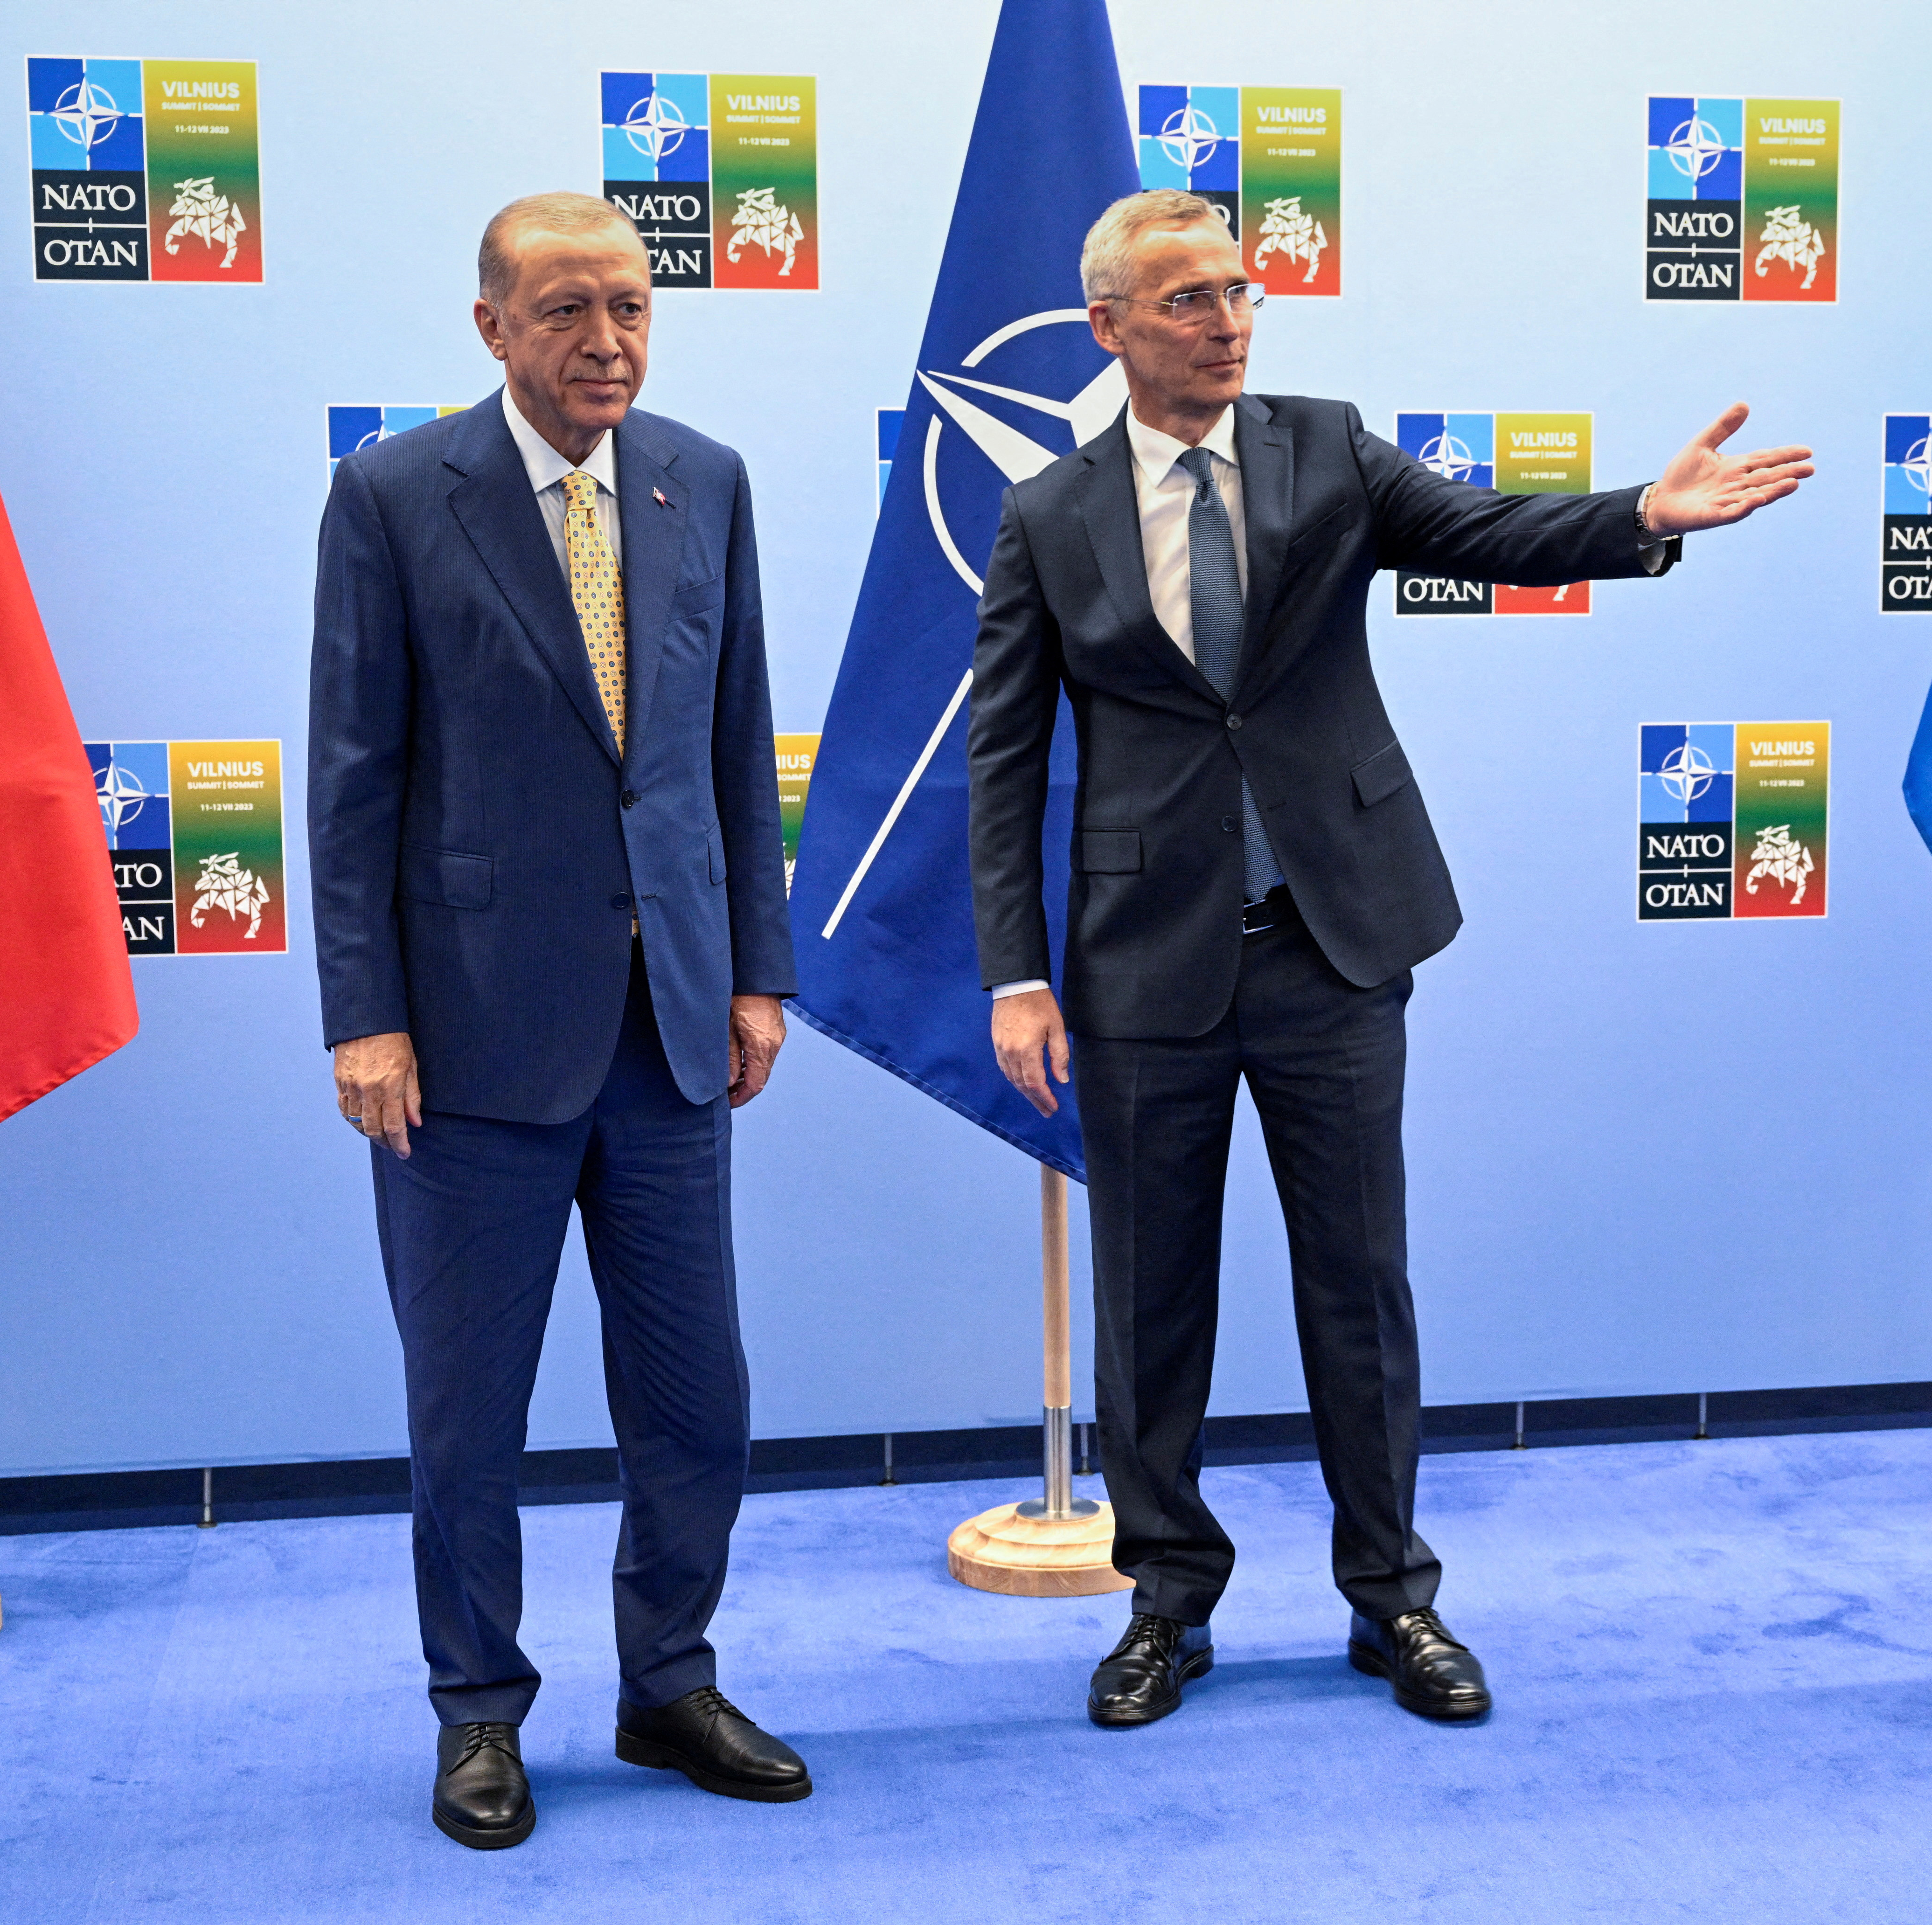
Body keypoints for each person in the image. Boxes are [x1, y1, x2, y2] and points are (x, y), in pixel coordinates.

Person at [967, 188, 1814, 1729]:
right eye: (1187, 302)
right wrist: (1016, 972)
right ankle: (1167, 1600)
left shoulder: (1326, 444)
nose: (1229, 320)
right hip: (1142, 967)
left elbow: (1486, 535)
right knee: (1152, 1300)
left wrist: (1641, 516)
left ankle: (1393, 1601)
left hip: (1332, 946)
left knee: (1358, 1284)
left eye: (1239, 292)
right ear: (1109, 327)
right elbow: (1005, 763)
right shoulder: (1046, 516)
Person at [310, 192, 807, 1849]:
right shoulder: (392, 495)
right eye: (571, 310)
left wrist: (755, 968)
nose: (610, 340)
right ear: (493, 327)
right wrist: (365, 1017)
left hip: (668, 1035)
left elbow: (736, 748)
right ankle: (478, 1713)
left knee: (698, 1399)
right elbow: (354, 777)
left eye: (635, 306)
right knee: (471, 1414)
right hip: (464, 1049)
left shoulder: (705, 477)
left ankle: (667, 1683)